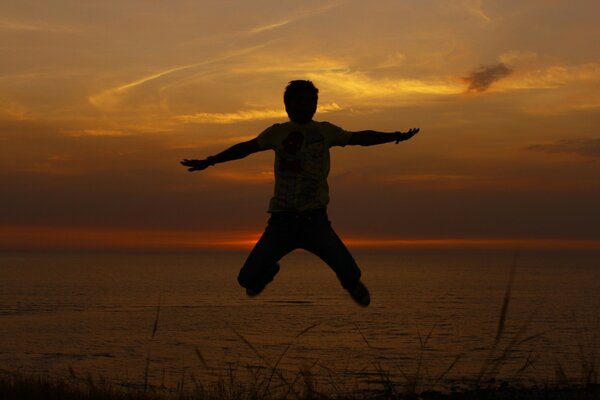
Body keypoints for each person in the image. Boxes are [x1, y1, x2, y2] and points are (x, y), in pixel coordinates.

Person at [181, 80, 419, 307]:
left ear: (315, 105)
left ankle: (352, 284)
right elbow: (245, 149)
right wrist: (210, 161)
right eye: (296, 102)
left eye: (307, 102)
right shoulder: (277, 132)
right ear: (286, 105)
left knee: (351, 273)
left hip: (315, 223)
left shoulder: (325, 131)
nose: (302, 107)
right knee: (247, 280)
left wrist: (394, 135)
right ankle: (267, 272)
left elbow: (360, 138)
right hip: (281, 223)